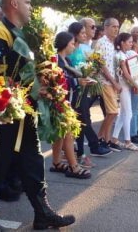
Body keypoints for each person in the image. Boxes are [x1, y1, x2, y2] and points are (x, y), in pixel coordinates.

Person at [0, 0, 75, 229]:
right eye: (28, 3)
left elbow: (26, 74)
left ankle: (43, 214)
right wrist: (34, 88)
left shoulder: (23, 34)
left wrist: (44, 84)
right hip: (4, 115)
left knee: (33, 163)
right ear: (13, 4)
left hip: (24, 113)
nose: (31, 7)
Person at [50, 32, 93, 178]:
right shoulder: (55, 60)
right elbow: (56, 81)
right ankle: (74, 166)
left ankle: (56, 162)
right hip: (60, 101)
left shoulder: (66, 59)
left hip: (68, 100)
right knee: (67, 133)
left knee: (61, 134)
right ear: (64, 44)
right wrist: (77, 82)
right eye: (72, 43)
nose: (74, 46)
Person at [67, 22, 112, 160]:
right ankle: (93, 145)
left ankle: (80, 151)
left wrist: (91, 70)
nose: (84, 35)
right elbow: (69, 68)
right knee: (83, 118)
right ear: (74, 35)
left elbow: (88, 65)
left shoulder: (83, 48)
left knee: (82, 119)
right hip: (74, 90)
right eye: (81, 33)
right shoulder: (70, 49)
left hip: (85, 87)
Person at [111, 33, 138, 151]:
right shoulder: (121, 55)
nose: (131, 44)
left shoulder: (121, 54)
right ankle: (128, 141)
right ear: (122, 43)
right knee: (127, 113)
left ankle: (114, 138)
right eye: (129, 42)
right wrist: (136, 84)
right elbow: (126, 74)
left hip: (124, 86)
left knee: (123, 113)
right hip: (123, 86)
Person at [96, 18, 123, 152]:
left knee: (111, 113)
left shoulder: (114, 44)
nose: (116, 29)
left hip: (113, 82)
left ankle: (104, 139)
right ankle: (102, 138)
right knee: (113, 112)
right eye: (113, 26)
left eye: (117, 27)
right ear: (105, 28)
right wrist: (114, 82)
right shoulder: (101, 43)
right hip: (105, 81)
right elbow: (101, 66)